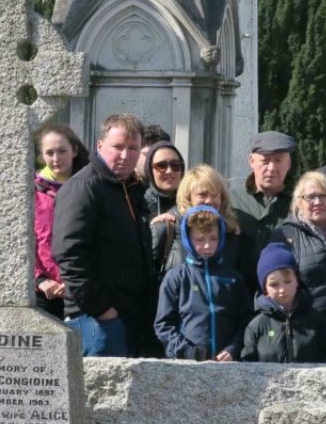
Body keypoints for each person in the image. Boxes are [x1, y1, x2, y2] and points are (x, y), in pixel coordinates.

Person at [52, 113, 155, 357]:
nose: (125, 155)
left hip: (128, 317)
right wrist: (103, 310)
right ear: (100, 146)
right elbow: (69, 255)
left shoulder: (129, 189)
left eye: (133, 148)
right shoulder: (83, 187)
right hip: (96, 320)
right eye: (117, 147)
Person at [154, 205, 249, 361]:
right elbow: (163, 325)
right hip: (185, 363)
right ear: (188, 239)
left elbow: (246, 320)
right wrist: (188, 352)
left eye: (213, 239)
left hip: (226, 363)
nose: (207, 246)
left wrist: (234, 348)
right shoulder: (176, 276)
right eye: (199, 239)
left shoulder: (233, 278)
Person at [272, 171, 326, 359]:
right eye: (310, 197)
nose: (317, 202)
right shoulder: (284, 236)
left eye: (323, 195)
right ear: (298, 202)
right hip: (309, 334)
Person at [242, 242, 326, 363]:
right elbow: (248, 366)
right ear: (265, 288)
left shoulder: (319, 322)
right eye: (274, 284)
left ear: (297, 280)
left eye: (287, 281)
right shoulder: (256, 327)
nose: (282, 290)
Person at [34, 123, 85, 320]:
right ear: (41, 155)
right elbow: (26, 239)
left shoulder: (88, 186)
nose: (56, 159)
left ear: (74, 150)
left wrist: (74, 280)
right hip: (43, 290)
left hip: (79, 286)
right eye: (50, 152)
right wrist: (39, 280)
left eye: (62, 151)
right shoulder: (31, 190)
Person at [232, 131, 296, 249]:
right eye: (265, 161)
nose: (271, 168)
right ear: (252, 161)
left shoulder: (300, 203)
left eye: (278, 160)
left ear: (289, 163)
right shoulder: (233, 201)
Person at [142, 139, 187, 289]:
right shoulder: (139, 204)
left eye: (175, 166)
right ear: (150, 170)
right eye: (161, 166)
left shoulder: (192, 203)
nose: (169, 171)